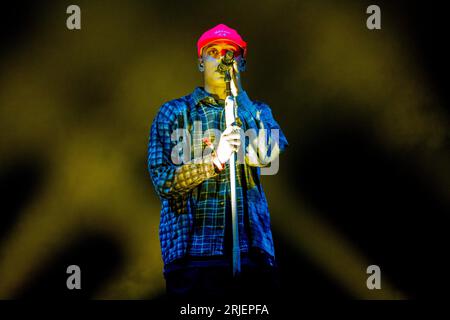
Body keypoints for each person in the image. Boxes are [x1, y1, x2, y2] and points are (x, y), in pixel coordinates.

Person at [148, 24, 288, 302]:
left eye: (230, 53)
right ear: (201, 62)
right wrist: (215, 160)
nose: (222, 58)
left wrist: (241, 98)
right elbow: (163, 181)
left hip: (253, 255)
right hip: (194, 256)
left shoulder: (258, 111)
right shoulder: (175, 111)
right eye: (213, 52)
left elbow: (269, 154)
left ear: (241, 63)